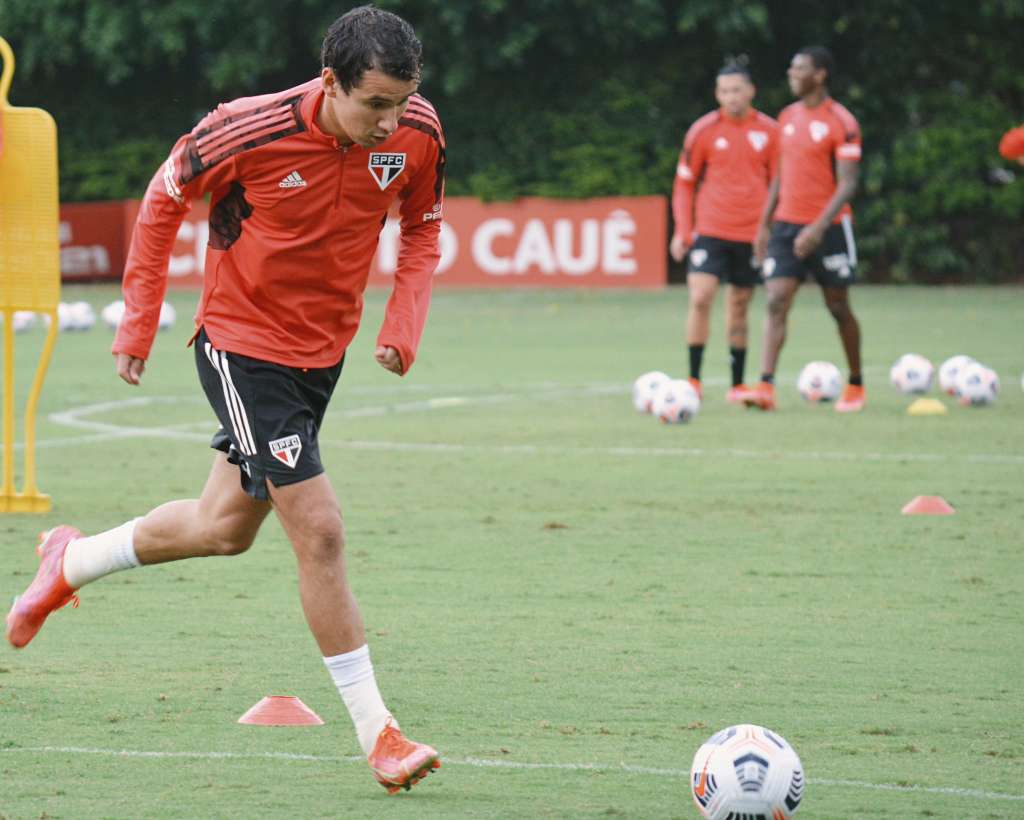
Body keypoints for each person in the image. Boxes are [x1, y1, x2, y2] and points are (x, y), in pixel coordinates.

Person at [6, 5, 445, 794]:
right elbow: (164, 194)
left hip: (323, 352)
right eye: (373, 103)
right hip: (243, 345)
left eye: (401, 101)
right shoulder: (246, 130)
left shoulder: (416, 131)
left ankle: (66, 559)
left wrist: (402, 322)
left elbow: (423, 225)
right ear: (330, 81)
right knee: (321, 532)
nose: (390, 121)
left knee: (222, 530)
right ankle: (379, 732)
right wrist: (137, 324)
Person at [743, 46, 864, 412]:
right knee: (776, 299)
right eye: (791, 68)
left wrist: (817, 227)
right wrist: (764, 223)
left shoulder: (842, 122)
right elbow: (781, 173)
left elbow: (847, 184)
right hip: (785, 225)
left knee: (838, 307)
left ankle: (856, 384)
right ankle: (765, 387)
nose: (791, 73)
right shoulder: (787, 117)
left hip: (829, 228)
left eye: (799, 69)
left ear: (820, 74)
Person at [671, 63, 779, 402]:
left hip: (751, 234)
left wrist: (770, 230)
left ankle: (736, 384)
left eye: (737, 90)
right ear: (717, 94)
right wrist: (683, 230)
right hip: (711, 229)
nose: (731, 97)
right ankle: (693, 380)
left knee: (739, 307)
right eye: (724, 91)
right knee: (700, 297)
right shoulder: (703, 131)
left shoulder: (770, 131)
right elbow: (684, 184)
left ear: (751, 91)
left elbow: (780, 185)